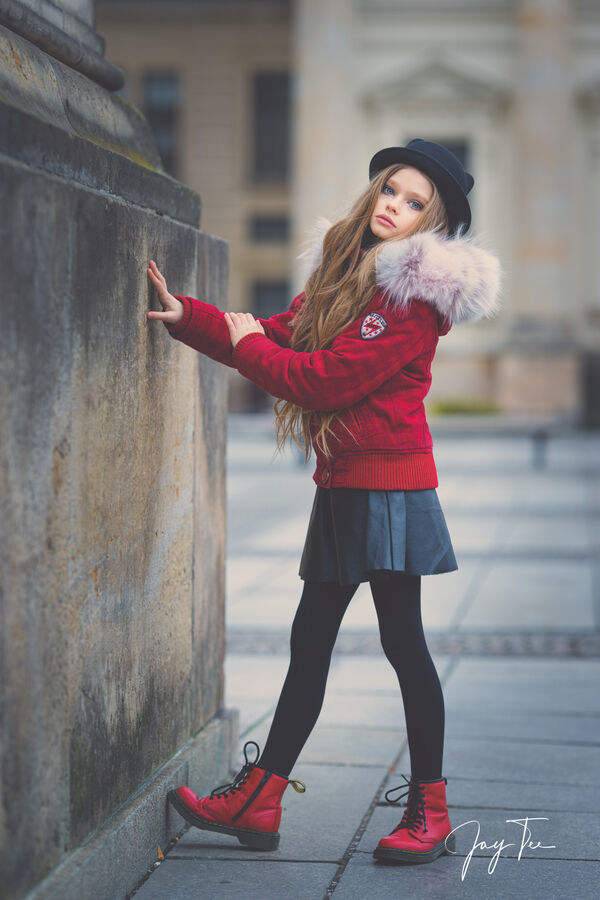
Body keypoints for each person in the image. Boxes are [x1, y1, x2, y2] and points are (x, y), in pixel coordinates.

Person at [146, 139, 501, 866]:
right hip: (346, 485)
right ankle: (261, 798)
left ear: (430, 223)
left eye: (412, 202)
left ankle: (430, 812)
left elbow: (323, 381)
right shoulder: (350, 278)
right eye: (389, 190)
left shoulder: (410, 299)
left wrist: (247, 349)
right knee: (309, 642)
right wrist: (189, 316)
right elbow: (278, 335)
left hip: (390, 488)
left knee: (405, 647)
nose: (392, 206)